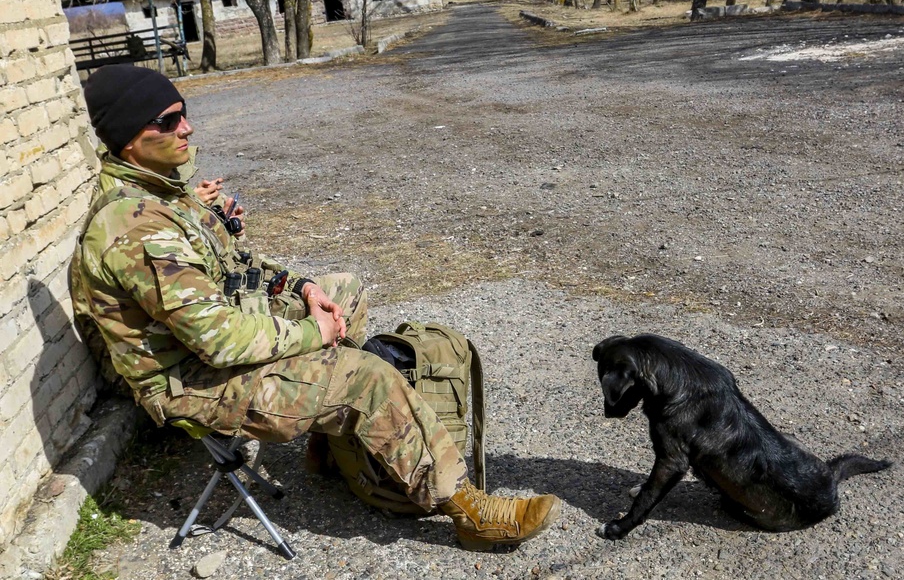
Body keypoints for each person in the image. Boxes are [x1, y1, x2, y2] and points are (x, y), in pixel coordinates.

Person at [69, 64, 561, 551]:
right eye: (169, 120)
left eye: (184, 114)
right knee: (365, 375)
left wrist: (304, 289)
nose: (187, 128)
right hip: (192, 381)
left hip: (212, 345)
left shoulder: (165, 192)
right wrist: (316, 336)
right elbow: (218, 341)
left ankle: (327, 449)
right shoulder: (134, 225)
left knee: (344, 290)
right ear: (130, 138)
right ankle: (470, 511)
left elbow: (239, 261)